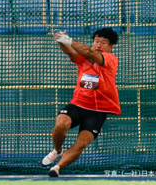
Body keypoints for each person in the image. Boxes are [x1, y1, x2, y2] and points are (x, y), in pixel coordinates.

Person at [41, 28, 121, 177]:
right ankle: (57, 151)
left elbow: (90, 53)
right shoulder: (84, 57)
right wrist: (61, 41)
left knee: (82, 143)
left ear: (110, 47)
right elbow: (71, 52)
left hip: (98, 111)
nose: (98, 45)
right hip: (78, 104)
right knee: (60, 124)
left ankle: (57, 168)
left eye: (103, 42)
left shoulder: (110, 59)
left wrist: (69, 40)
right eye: (96, 41)